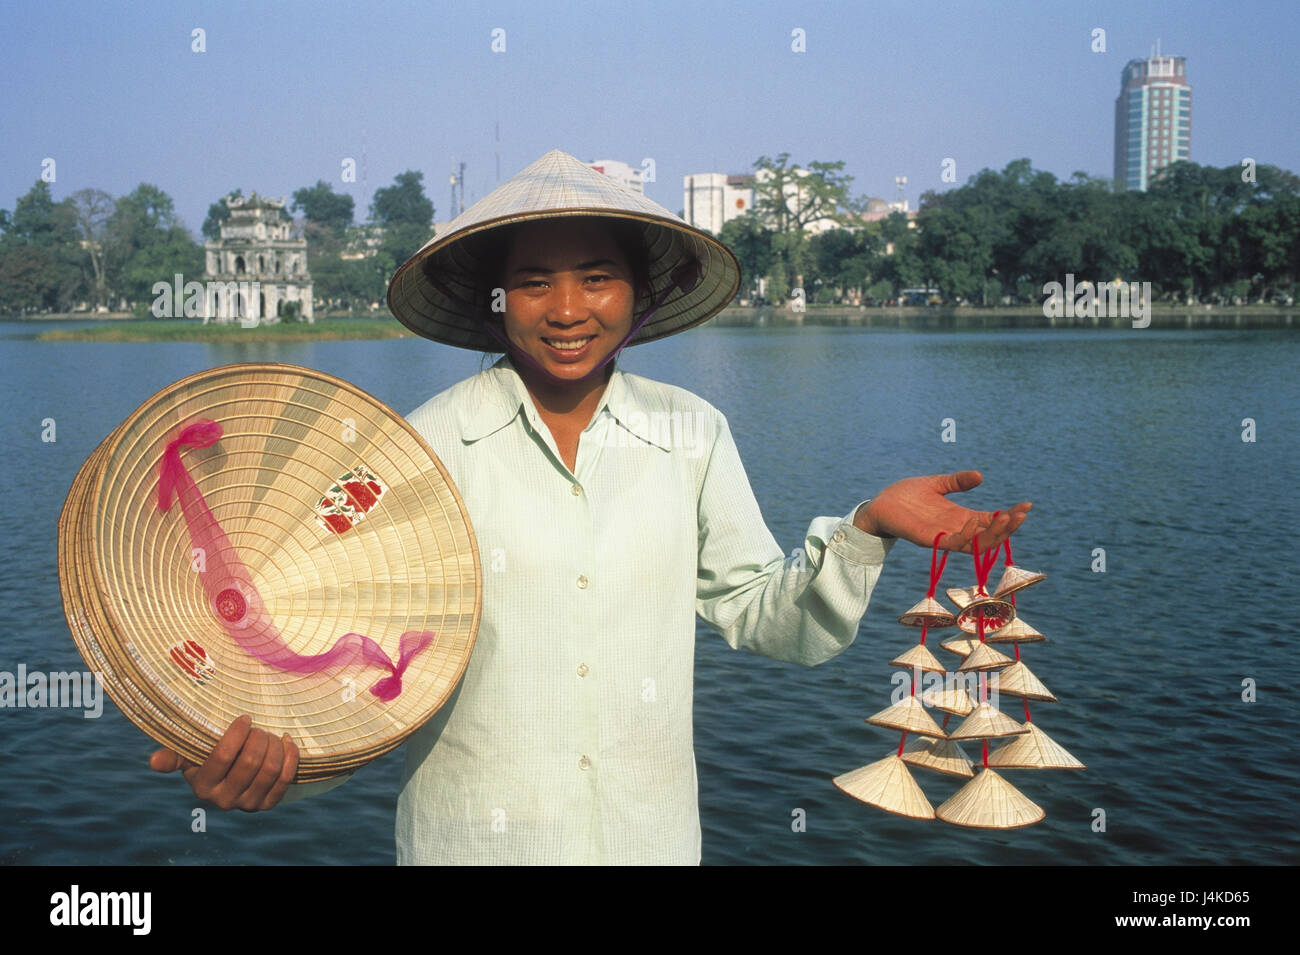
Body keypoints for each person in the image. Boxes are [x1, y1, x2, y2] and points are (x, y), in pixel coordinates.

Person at [150, 150, 1030, 863]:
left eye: (598, 277)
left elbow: (766, 614)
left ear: (638, 297)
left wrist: (865, 527)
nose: (568, 309)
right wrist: (278, 756)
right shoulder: (414, 452)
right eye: (534, 281)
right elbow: (352, 660)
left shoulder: (692, 432)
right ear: (496, 303)